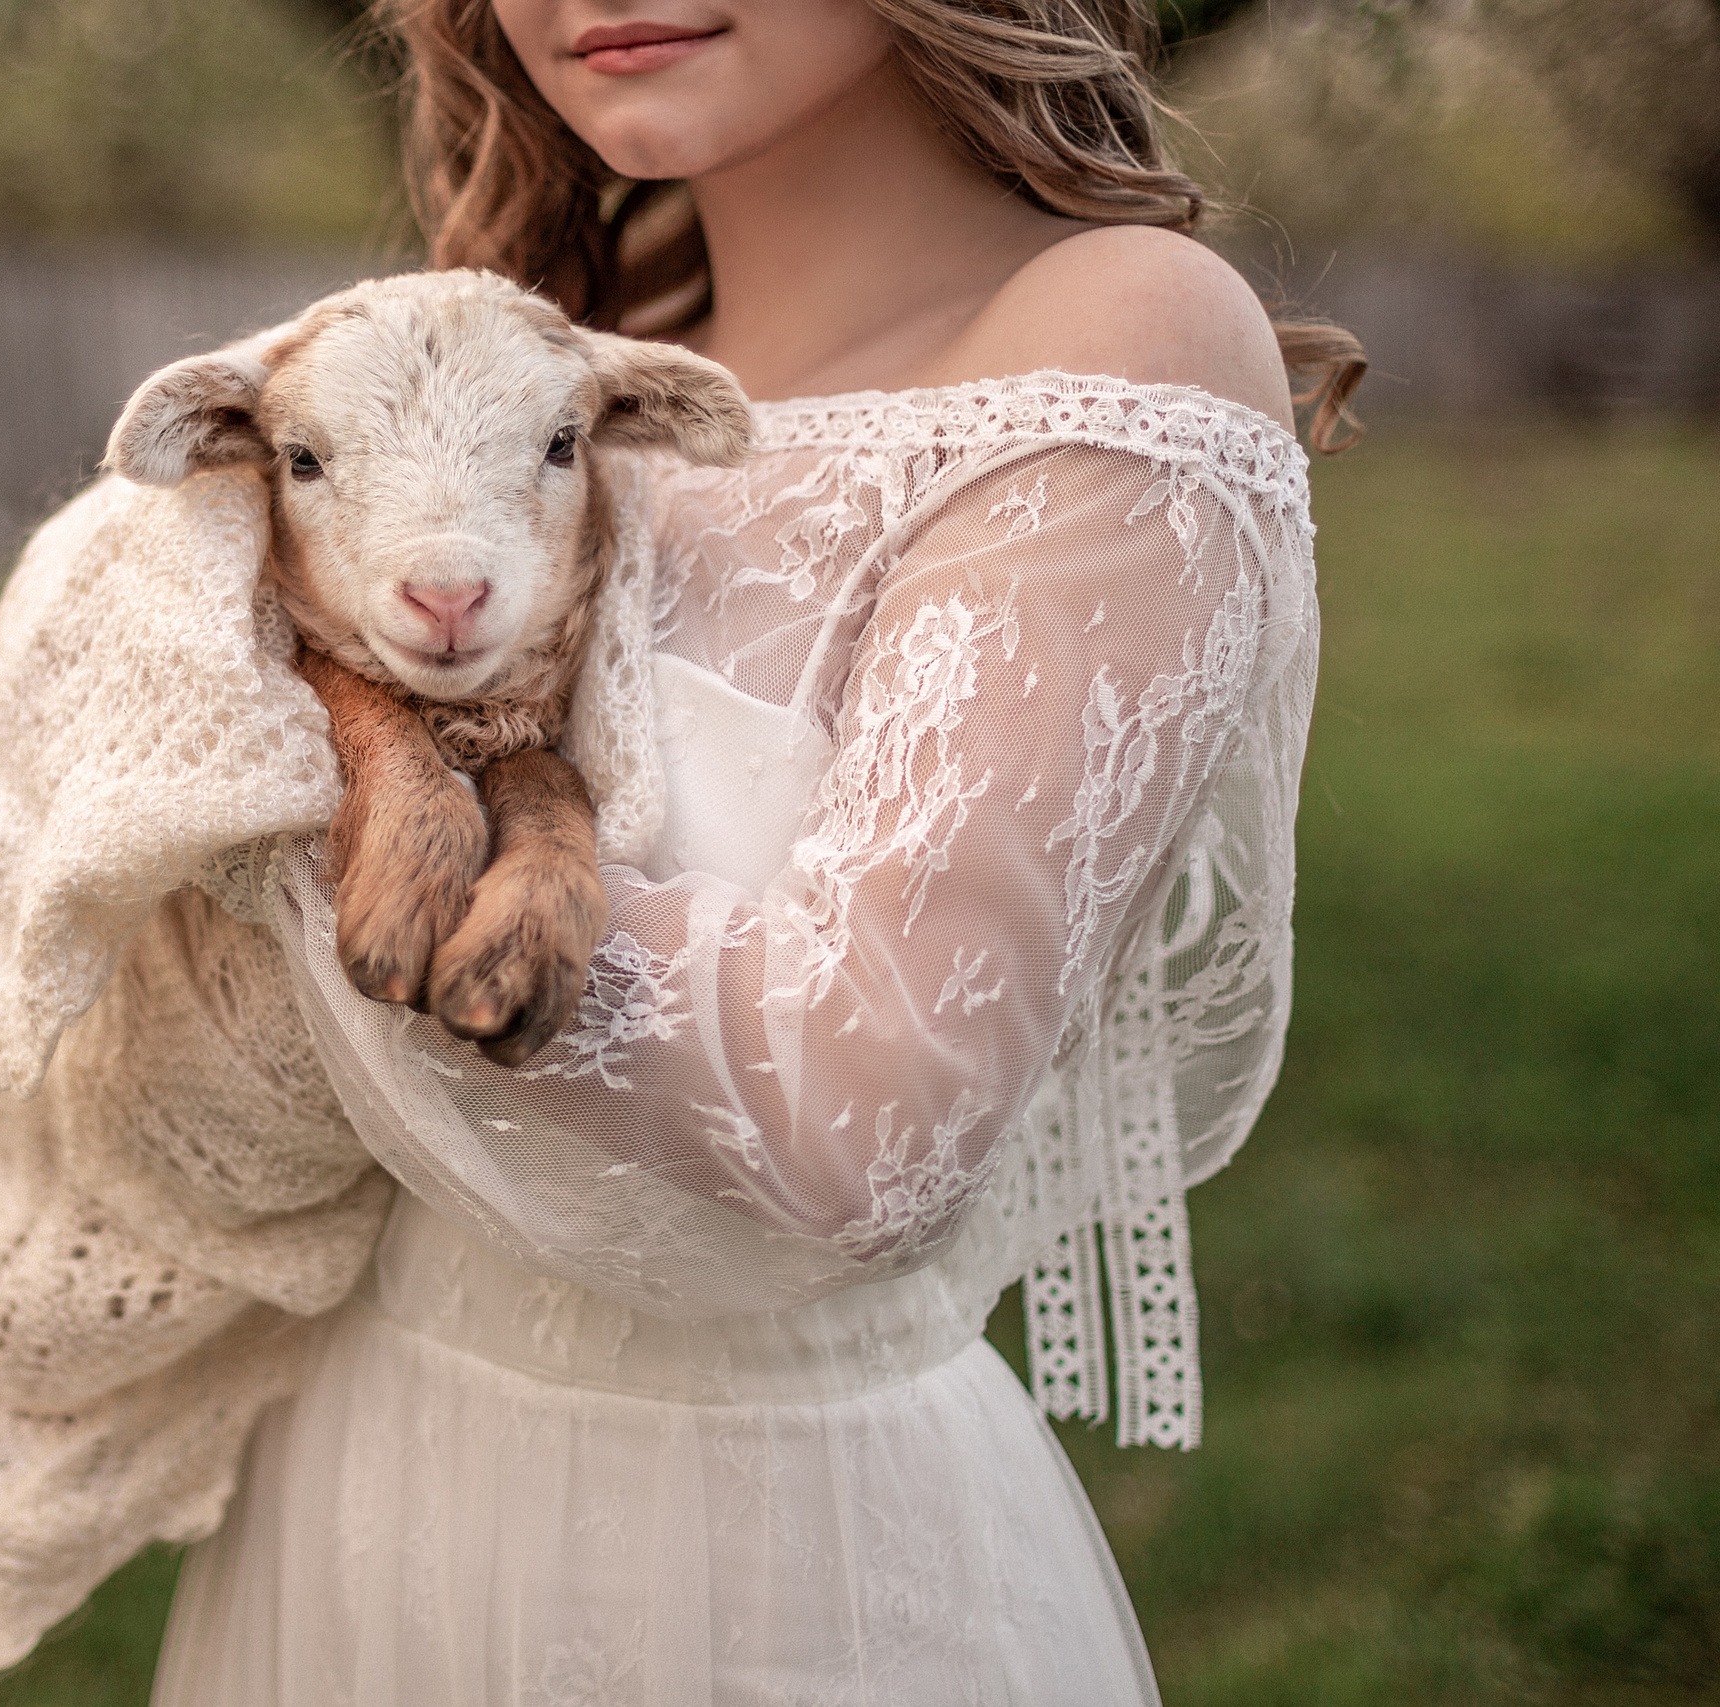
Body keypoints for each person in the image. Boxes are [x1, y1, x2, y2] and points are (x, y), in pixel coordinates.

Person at [142, 2, 1362, 1702]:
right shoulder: (537, 360)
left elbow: (864, 1113)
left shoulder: (1109, 333)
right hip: (362, 1476)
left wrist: (264, 805)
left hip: (764, 1551)